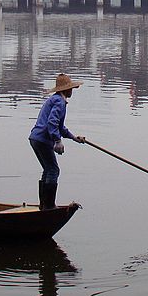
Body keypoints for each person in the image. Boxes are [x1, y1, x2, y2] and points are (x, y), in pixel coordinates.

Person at [29, 73, 86, 209]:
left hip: (35, 138)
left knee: (48, 169)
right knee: (54, 170)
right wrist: (57, 140)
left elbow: (60, 127)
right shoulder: (59, 102)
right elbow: (52, 122)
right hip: (42, 140)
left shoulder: (56, 100)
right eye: (70, 88)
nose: (72, 90)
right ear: (66, 90)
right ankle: (48, 206)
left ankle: (44, 205)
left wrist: (73, 137)